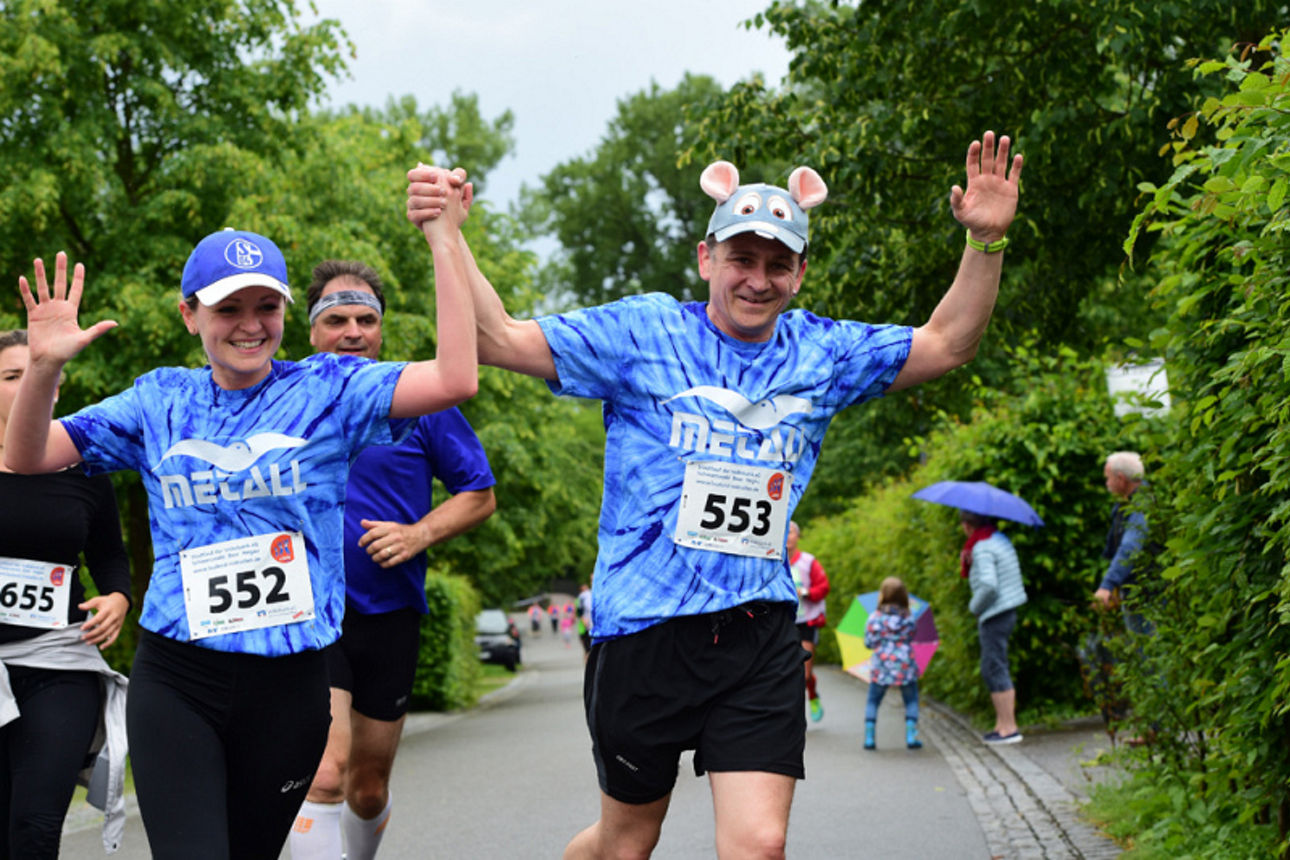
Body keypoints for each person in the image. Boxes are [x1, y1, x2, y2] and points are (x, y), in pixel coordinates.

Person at [408, 130, 1022, 859]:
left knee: (759, 845)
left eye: (777, 264)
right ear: (707, 258)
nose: (757, 279)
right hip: (644, 634)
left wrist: (985, 242)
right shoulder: (643, 332)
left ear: (799, 274)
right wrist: (446, 235)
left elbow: (948, 342)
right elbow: (498, 337)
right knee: (625, 842)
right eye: (741, 258)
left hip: (758, 631)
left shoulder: (821, 353)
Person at [4, 166, 476, 859]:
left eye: (267, 307)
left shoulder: (331, 388)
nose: (250, 326)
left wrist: (443, 239)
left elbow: (456, 377)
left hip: (289, 686)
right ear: (189, 314)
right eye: (228, 309)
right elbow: (28, 456)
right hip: (179, 682)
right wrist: (42, 367)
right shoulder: (158, 401)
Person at [289, 261, 496, 860]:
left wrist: (417, 533)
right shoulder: (281, 395)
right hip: (308, 610)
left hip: (390, 611)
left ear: (380, 330)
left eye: (364, 319)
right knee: (325, 773)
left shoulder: (419, 398)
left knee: (366, 785)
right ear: (312, 331)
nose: (352, 331)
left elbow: (479, 494)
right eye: (336, 320)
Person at [0, 329, 131, 857]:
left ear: (54, 386)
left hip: (61, 662)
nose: (28, 384)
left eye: (37, 373)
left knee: (35, 824)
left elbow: (110, 556)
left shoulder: (81, 465)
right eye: (13, 376)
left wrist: (118, 597)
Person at [960, 509, 1028, 744]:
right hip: (1007, 609)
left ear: (967, 525)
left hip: (995, 613)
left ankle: (1009, 728)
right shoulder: (998, 539)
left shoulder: (982, 547)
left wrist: (974, 606)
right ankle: (1001, 725)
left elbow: (989, 585)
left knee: (994, 667)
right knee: (995, 664)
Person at [1093, 451, 1154, 635]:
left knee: (1147, 656)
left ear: (1121, 479)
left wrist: (1107, 585)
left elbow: (1130, 547)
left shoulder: (1141, 506)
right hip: (1137, 593)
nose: (1106, 483)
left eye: (1108, 478)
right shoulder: (1125, 504)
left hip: (1148, 597)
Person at [862, 576, 922, 750]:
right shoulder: (909, 617)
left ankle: (869, 738)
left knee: (873, 701)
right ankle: (911, 736)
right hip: (905, 665)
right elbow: (912, 636)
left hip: (882, 666)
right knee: (911, 700)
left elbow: (869, 642)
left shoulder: (874, 618)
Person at [787, 520, 829, 722]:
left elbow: (824, 588)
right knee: (784, 673)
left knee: (804, 673)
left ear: (798, 536)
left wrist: (804, 592)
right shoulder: (773, 561)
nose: (787, 535)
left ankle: (812, 694)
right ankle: (790, 715)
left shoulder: (808, 562)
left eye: (792, 531)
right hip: (784, 622)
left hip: (807, 621)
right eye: (783, 530)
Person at [576, 582, 593, 655]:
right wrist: (584, 620)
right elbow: (578, 611)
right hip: (584, 628)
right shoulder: (581, 598)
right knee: (588, 651)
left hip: (592, 627)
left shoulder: (592, 594)